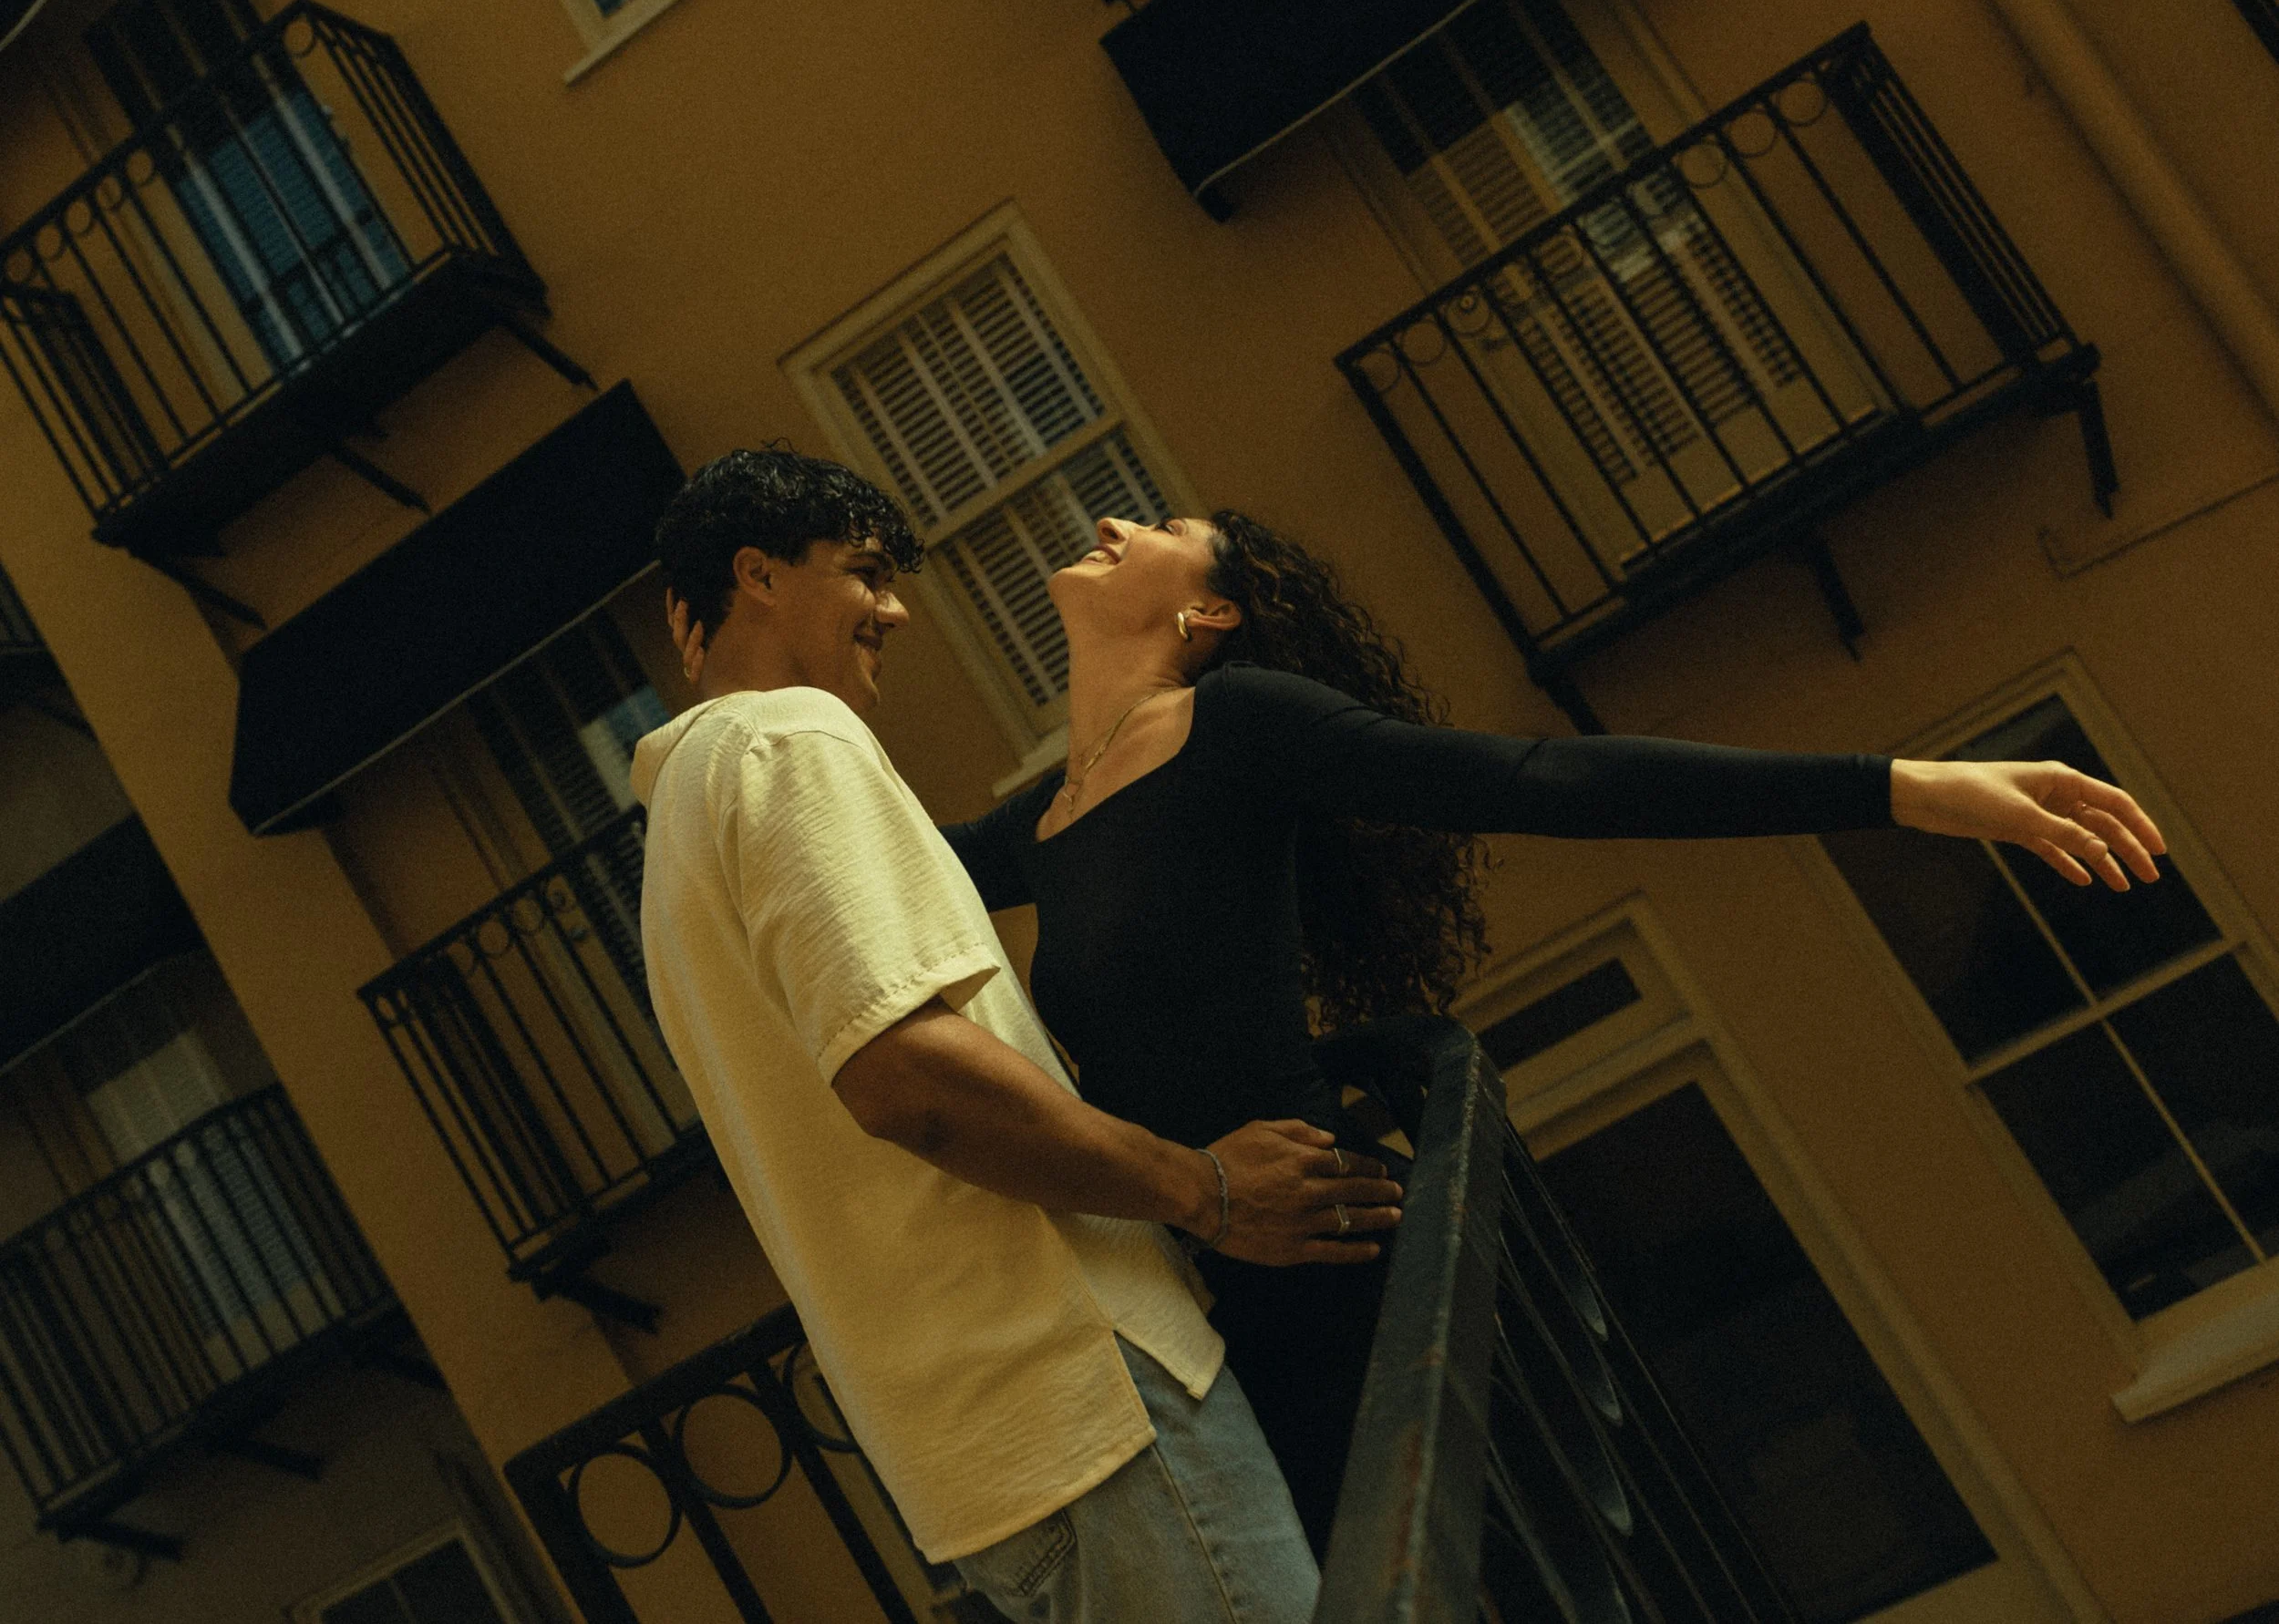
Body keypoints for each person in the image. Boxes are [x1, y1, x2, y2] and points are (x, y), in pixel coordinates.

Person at [921, 508, 2169, 1555]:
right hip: (1199, 1286)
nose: (1114, 521)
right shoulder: (1044, 822)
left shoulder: (1238, 721)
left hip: (1322, 1263)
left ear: (1212, 613)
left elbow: (1537, 779)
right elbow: (857, 857)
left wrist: (1906, 788)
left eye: (1161, 526)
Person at [632, 450, 1403, 1624]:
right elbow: (907, 1078)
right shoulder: (791, 741)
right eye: (865, 572)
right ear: (759, 576)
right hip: (1082, 1393)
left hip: (979, 1460)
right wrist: (1203, 1189)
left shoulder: (684, 818)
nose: (895, 610)